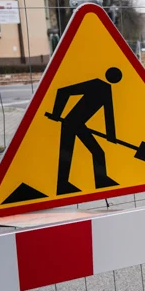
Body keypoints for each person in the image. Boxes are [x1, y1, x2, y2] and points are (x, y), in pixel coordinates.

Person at [45, 67, 122, 195]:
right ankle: (65, 185)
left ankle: (100, 181)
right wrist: (56, 113)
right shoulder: (96, 85)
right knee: (70, 153)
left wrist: (111, 135)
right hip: (70, 124)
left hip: (77, 124)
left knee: (92, 152)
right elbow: (63, 91)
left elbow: (108, 114)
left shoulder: (105, 89)